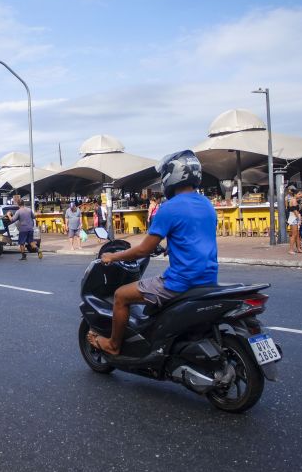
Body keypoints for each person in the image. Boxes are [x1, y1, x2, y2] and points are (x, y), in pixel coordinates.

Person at [87, 150, 218, 356]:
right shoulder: (207, 205)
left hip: (180, 282)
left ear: (171, 176)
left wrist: (113, 256)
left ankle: (113, 345)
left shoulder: (169, 208)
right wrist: (170, 248)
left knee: (121, 295)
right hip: (208, 279)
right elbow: (194, 238)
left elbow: (143, 250)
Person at [286, 186, 302, 255]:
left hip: (295, 218)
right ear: (295, 194)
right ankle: (290, 250)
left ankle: (299, 249)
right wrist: (299, 218)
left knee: (297, 235)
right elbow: (295, 211)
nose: (300, 196)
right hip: (293, 218)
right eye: (299, 194)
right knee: (294, 235)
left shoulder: (294, 200)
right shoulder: (293, 200)